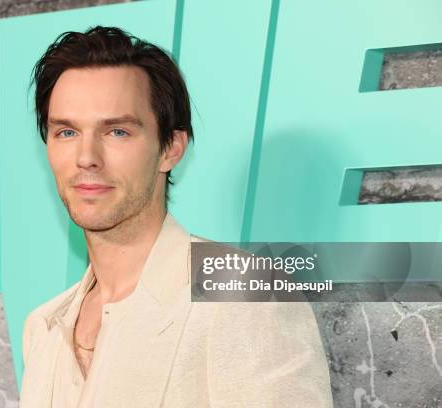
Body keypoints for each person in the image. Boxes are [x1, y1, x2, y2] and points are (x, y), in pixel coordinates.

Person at [19, 25, 333, 407]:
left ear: (170, 148)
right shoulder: (43, 326)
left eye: (117, 131)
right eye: (66, 132)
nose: (87, 157)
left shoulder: (246, 295)